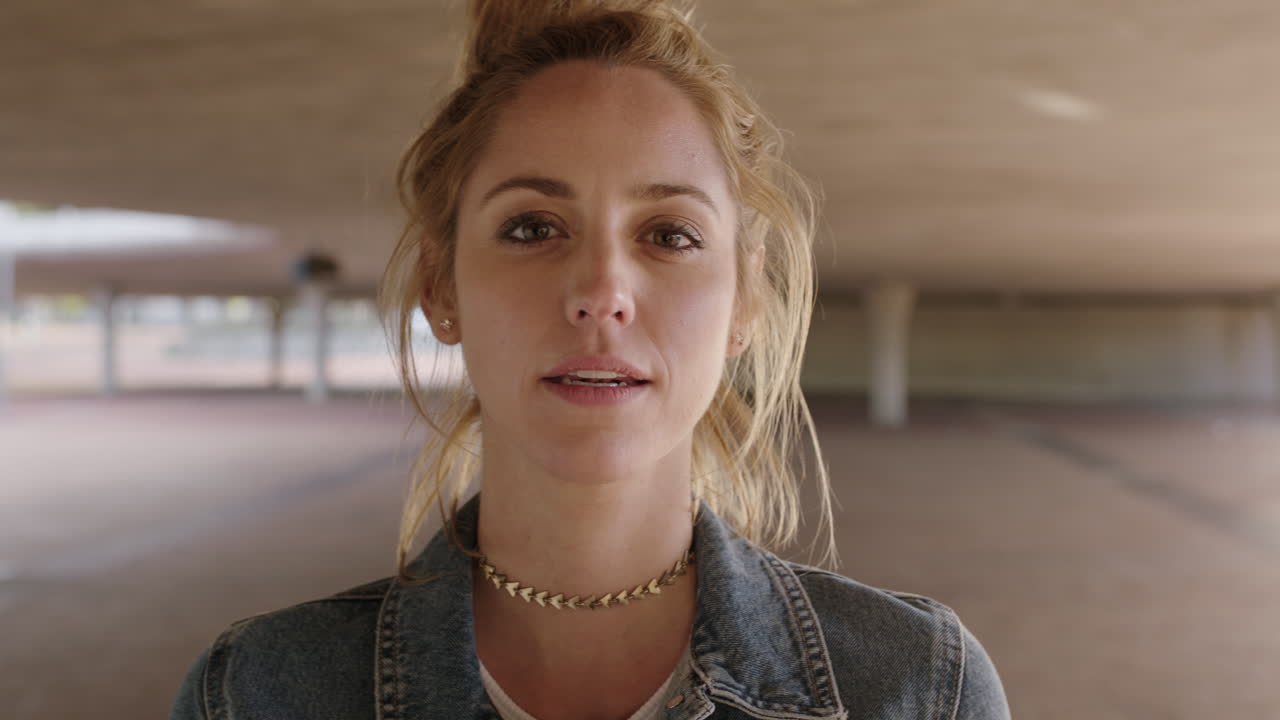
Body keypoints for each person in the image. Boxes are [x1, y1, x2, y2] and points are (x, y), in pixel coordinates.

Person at [171, 1, 1011, 718]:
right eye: (534, 227)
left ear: (745, 301)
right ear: (441, 284)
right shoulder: (255, 693)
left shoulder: (916, 688)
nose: (601, 291)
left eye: (669, 236)